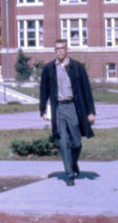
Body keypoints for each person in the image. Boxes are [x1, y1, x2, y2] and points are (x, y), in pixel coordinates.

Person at [40, 38, 96, 186]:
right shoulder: (49, 68)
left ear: (67, 50)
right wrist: (43, 110)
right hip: (58, 108)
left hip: (73, 107)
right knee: (63, 141)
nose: (59, 51)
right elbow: (43, 91)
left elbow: (87, 91)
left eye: (62, 48)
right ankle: (69, 173)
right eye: (56, 49)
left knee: (77, 142)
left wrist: (91, 111)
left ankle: (72, 163)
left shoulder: (77, 67)